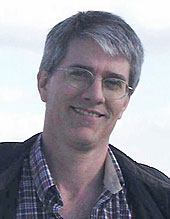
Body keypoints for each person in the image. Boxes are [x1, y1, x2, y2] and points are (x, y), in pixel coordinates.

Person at [0, 11, 169, 219]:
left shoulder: (161, 201)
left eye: (113, 83)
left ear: (126, 101)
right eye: (79, 74)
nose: (95, 95)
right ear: (44, 83)